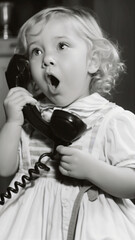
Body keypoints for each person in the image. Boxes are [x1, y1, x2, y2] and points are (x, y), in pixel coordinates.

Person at [0, 6, 135, 240]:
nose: (47, 59)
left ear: (93, 61)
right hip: (30, 226)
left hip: (94, 227)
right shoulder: (30, 119)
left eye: (61, 46)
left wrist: (93, 170)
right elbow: (4, 168)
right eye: (36, 52)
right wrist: (12, 122)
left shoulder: (111, 121)